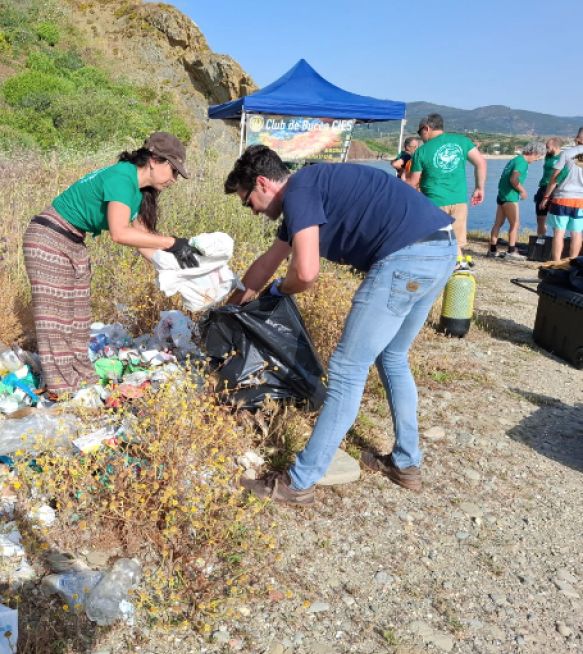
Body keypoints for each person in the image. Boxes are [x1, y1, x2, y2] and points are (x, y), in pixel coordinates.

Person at [226, 145, 457, 506]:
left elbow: (305, 273)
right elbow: (268, 261)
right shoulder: (311, 188)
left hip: (407, 258)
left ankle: (298, 483)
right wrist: (229, 309)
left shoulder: (300, 191)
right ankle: (406, 463)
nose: (253, 211)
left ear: (262, 183)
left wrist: (277, 290)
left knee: (347, 370)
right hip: (442, 249)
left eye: (248, 201)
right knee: (392, 357)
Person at [23, 132, 199, 395]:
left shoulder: (138, 190)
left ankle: (83, 383)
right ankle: (61, 390)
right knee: (56, 320)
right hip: (49, 237)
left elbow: (142, 241)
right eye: (173, 170)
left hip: (73, 241)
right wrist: (172, 242)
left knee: (78, 319)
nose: (174, 179)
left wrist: (177, 270)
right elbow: (119, 233)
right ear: (154, 160)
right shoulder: (122, 178)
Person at [408, 113, 487, 259]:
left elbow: (412, 183)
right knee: (455, 242)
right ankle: (459, 266)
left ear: (427, 128)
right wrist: (479, 188)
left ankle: (444, 268)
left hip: (434, 202)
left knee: (435, 243)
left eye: (420, 133)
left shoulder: (422, 151)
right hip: (459, 200)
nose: (421, 137)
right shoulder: (462, 141)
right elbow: (481, 163)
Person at [487, 141, 546, 260]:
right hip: (510, 196)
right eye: (538, 156)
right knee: (515, 224)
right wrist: (523, 190)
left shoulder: (515, 159)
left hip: (502, 195)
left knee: (498, 223)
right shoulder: (522, 162)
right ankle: (511, 251)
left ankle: (492, 249)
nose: (537, 160)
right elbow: (514, 179)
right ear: (533, 153)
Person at [542, 128, 583, 261]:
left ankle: (557, 262)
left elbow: (554, 178)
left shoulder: (567, 153)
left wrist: (546, 197)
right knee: (576, 233)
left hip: (562, 198)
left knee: (559, 232)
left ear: (577, 138)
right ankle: (573, 262)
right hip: (581, 201)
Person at [534, 138, 565, 239]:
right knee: (540, 218)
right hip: (543, 188)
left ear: (555, 147)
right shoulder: (548, 156)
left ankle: (557, 241)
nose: (546, 149)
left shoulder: (563, 157)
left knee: (556, 219)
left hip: (556, 189)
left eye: (548, 147)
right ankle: (540, 240)